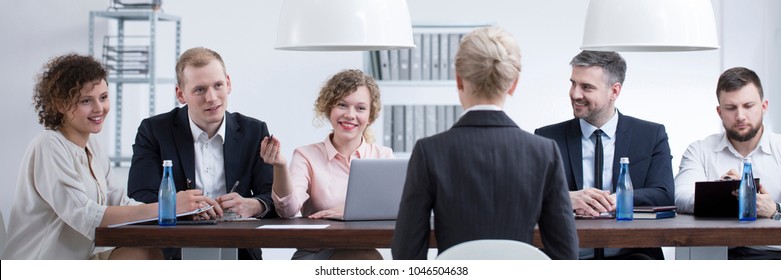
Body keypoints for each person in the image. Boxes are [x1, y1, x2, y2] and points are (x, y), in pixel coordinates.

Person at [2, 54, 217, 260]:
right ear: (61, 104)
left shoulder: (93, 146)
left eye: (103, 98)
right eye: (86, 101)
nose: (99, 108)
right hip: (43, 263)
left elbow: (119, 201)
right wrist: (167, 208)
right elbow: (86, 216)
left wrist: (181, 212)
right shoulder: (48, 146)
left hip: (85, 259)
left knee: (148, 253)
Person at [391, 26, 578, 260]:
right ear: (513, 84)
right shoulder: (544, 152)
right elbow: (566, 254)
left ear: (459, 80)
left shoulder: (429, 152)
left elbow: (406, 253)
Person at [127, 47, 277, 260]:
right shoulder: (154, 131)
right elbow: (139, 196)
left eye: (218, 86)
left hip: (240, 254)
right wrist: (181, 208)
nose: (212, 97)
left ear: (229, 83)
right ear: (181, 94)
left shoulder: (254, 131)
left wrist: (254, 205)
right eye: (199, 90)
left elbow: (272, 196)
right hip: (173, 253)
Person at [534, 50, 674, 260]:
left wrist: (618, 200)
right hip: (565, 257)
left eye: (586, 87)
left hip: (633, 256)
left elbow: (664, 193)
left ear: (614, 91)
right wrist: (567, 198)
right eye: (573, 83)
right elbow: (530, 196)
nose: (575, 94)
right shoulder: (547, 137)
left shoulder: (651, 135)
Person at [260, 69, 393, 260]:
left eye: (360, 108)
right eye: (342, 105)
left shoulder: (383, 156)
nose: (350, 114)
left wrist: (348, 212)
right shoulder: (306, 155)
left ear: (370, 116)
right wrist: (280, 166)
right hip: (315, 254)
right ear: (328, 108)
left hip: (362, 252)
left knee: (364, 257)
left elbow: (397, 210)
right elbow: (287, 211)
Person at [675, 67, 781, 259]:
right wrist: (722, 193)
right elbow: (680, 196)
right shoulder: (699, 150)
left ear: (764, 107)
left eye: (748, 106)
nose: (740, 116)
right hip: (714, 255)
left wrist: (775, 210)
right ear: (719, 111)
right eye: (731, 108)